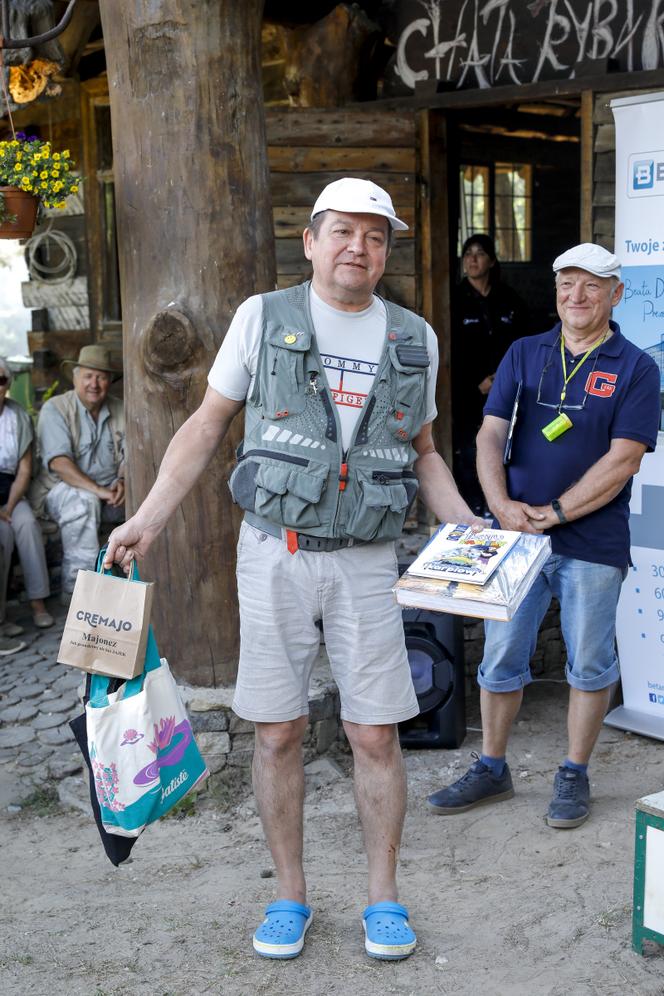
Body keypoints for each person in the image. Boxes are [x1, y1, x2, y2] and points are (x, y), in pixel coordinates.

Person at [104, 177, 481, 961]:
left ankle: (383, 900)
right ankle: (289, 897)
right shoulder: (262, 318)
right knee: (277, 731)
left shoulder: (415, 336)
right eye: (343, 231)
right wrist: (146, 519)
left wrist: (471, 530)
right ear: (310, 241)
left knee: (375, 733)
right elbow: (205, 428)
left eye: (375, 237)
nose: (359, 248)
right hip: (274, 552)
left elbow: (425, 455)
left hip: (368, 562)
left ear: (386, 252)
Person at [428, 243, 661, 829]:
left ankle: (574, 774)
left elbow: (624, 460)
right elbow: (488, 437)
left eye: (590, 286)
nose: (576, 298)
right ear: (555, 292)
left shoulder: (637, 367)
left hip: (592, 541)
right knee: (502, 657)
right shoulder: (524, 353)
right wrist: (502, 505)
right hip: (515, 536)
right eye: (566, 285)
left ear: (616, 294)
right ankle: (492, 767)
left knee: (588, 662)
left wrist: (553, 512)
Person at [31, 345, 125, 601]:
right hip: (58, 491)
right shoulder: (56, 408)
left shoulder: (120, 408)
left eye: (102, 377)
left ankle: (135, 594)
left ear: (109, 382)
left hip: (108, 490)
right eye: (88, 376)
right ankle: (79, 596)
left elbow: (131, 453)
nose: (94, 384)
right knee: (82, 501)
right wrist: (100, 491)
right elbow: (59, 463)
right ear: (75, 378)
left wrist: (123, 480)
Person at [452, 234, 530, 515]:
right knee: (471, 449)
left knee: (507, 446)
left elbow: (524, 342)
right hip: (466, 392)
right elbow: (450, 351)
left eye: (479, 253)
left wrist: (500, 378)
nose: (472, 259)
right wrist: (476, 384)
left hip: (507, 386)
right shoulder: (454, 299)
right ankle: (475, 506)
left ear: (492, 260)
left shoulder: (509, 299)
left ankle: (500, 505)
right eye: (468, 253)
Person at [0, 357, 51, 640]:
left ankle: (38, 602)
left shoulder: (17, 416)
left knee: (27, 525)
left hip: (11, 491)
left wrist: (8, 506)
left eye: (1, 380)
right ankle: (1, 619)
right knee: (2, 536)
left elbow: (25, 468)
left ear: (7, 384)